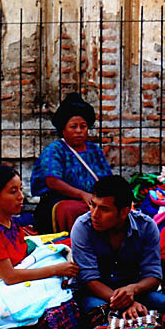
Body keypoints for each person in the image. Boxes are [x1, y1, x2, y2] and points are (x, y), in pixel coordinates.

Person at [0, 164, 79, 290]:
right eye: (13, 192)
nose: (21, 196)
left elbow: (22, 261)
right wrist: (56, 270)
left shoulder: (12, 225)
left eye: (21, 189)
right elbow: (10, 277)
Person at [71, 174, 165, 321]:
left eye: (104, 209)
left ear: (124, 212)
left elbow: (154, 275)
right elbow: (89, 279)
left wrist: (133, 289)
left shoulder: (146, 226)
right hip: (97, 294)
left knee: (163, 303)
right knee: (97, 311)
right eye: (93, 205)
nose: (95, 214)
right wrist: (125, 303)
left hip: (134, 292)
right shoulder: (83, 227)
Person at [31, 93, 113, 233]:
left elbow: (107, 179)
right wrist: (82, 195)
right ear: (63, 129)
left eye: (83, 126)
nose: (79, 131)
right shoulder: (54, 150)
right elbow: (52, 181)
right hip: (60, 201)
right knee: (70, 210)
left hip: (94, 201)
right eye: (73, 127)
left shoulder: (95, 150)